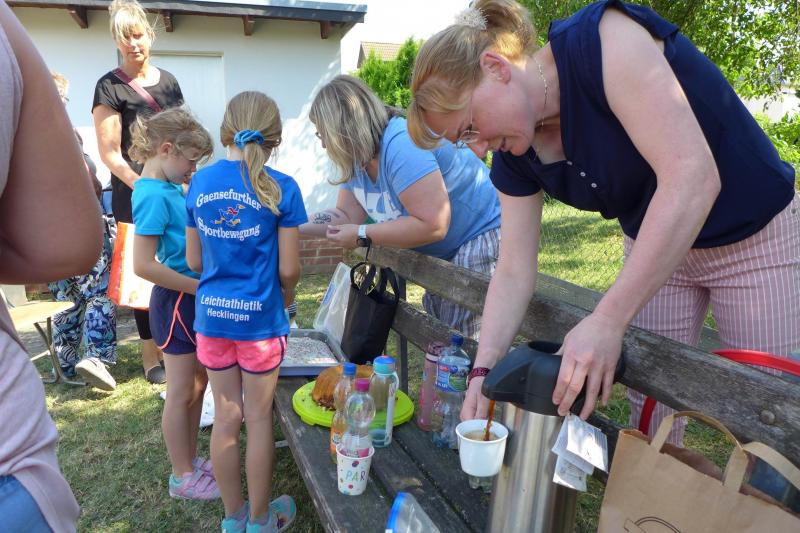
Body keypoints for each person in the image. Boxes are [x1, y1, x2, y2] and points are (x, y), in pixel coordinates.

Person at [407, 0, 799, 446]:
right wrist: (484, 369)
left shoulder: (603, 41)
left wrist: (607, 320)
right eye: (464, 141)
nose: (478, 150)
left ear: (495, 68)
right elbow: (513, 269)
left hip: (754, 237)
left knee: (767, 420)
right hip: (658, 249)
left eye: (470, 128)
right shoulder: (516, 154)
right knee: (650, 420)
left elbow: (692, 178)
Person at [0, 2, 102, 530]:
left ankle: (78, 358)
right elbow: (67, 241)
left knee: (76, 301)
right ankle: (80, 358)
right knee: (81, 299)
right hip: (9, 464)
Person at [186, 91, 305, 532]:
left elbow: (194, 262)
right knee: (257, 419)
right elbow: (289, 269)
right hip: (260, 325)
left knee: (226, 417)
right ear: (274, 140)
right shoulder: (283, 187)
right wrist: (287, 296)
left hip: (212, 321)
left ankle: (233, 518)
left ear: (225, 133)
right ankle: (260, 520)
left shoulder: (199, 183)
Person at [303, 75, 501, 339]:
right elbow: (345, 216)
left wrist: (362, 234)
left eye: (323, 134)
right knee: (443, 341)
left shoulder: (401, 144)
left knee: (457, 345)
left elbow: (433, 224)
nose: (324, 144)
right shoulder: (357, 160)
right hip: (447, 251)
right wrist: (290, 222)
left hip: (480, 233)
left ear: (342, 128)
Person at [129, 107, 219, 500]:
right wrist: (198, 288)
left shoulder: (169, 189)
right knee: (181, 390)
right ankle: (181, 475)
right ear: (167, 149)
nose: (192, 170)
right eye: (190, 160)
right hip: (179, 300)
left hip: (190, 296)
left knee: (199, 383)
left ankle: (191, 460)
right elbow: (143, 265)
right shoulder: (151, 195)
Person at [93, 0, 185, 384]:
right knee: (143, 275)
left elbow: (183, 134)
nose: (133, 44)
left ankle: (177, 339)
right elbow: (110, 153)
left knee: (176, 262)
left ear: (150, 35)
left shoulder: (169, 82)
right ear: (117, 41)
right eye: (124, 37)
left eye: (137, 35)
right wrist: (144, 184)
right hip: (136, 196)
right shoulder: (109, 86)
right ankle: (151, 355)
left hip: (174, 192)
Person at [49, 72, 118, 391]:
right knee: (99, 293)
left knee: (67, 299)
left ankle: (64, 364)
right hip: (79, 225)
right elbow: (86, 181)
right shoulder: (58, 130)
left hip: (47, 234)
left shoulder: (21, 131)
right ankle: (96, 359)